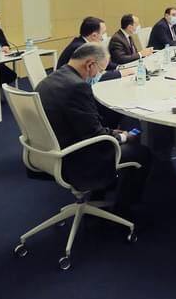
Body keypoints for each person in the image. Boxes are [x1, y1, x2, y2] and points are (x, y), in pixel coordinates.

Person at [37, 43, 152, 218]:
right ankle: (124, 212)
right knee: (142, 153)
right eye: (100, 70)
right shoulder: (77, 87)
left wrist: (110, 131)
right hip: (74, 157)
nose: (99, 75)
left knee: (110, 121)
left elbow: (86, 124)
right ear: (90, 64)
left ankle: (102, 190)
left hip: (48, 152)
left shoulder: (51, 79)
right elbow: (96, 136)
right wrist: (122, 136)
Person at [57, 16, 133, 80]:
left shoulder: (84, 42)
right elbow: (93, 75)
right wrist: (120, 73)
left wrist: (119, 67)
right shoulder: (81, 47)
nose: (103, 38)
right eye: (103, 33)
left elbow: (101, 62)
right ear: (94, 36)